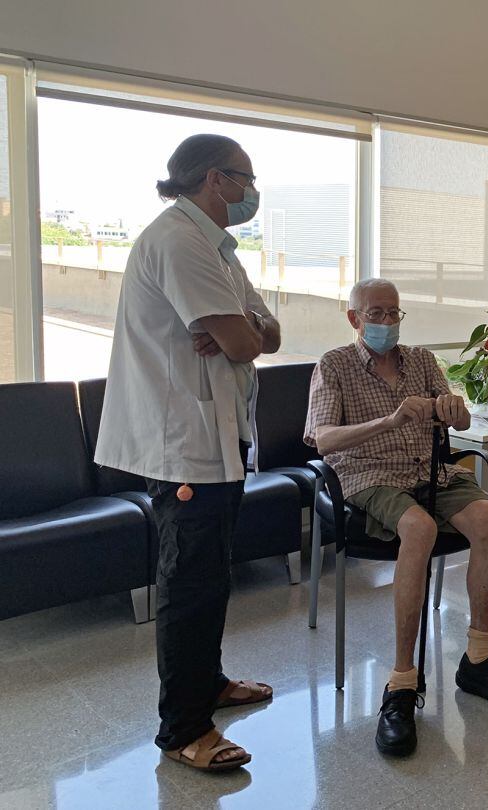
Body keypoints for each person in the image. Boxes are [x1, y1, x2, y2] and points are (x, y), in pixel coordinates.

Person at [95, 134, 281, 772]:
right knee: (189, 581)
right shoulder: (177, 240)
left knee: (212, 572)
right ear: (213, 179)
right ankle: (183, 729)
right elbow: (245, 344)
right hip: (183, 443)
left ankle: (211, 683)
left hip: (218, 436)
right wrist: (242, 332)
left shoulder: (218, 248)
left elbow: (266, 331)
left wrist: (243, 328)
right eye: (245, 178)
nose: (252, 192)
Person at [304, 278, 488, 758]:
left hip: (430, 471)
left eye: (394, 312)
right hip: (371, 474)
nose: (386, 322)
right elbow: (323, 439)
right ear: (354, 318)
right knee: (419, 527)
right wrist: (390, 420)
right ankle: (402, 682)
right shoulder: (334, 364)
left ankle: (478, 658)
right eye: (376, 313)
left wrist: (456, 411)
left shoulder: (423, 360)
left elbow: (460, 420)